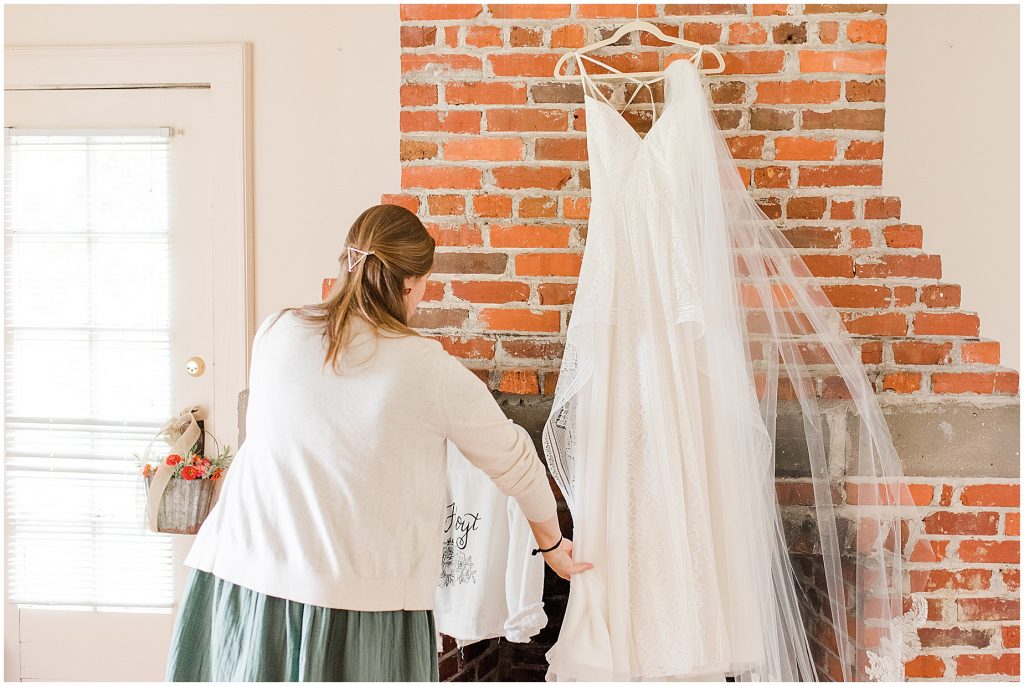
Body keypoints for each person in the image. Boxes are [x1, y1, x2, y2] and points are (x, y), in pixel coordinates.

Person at [165, 203, 591, 681]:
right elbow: (518, 463)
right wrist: (551, 544)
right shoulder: (428, 369)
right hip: (357, 603)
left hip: (235, 576)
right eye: (425, 284)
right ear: (409, 283)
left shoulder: (277, 330)